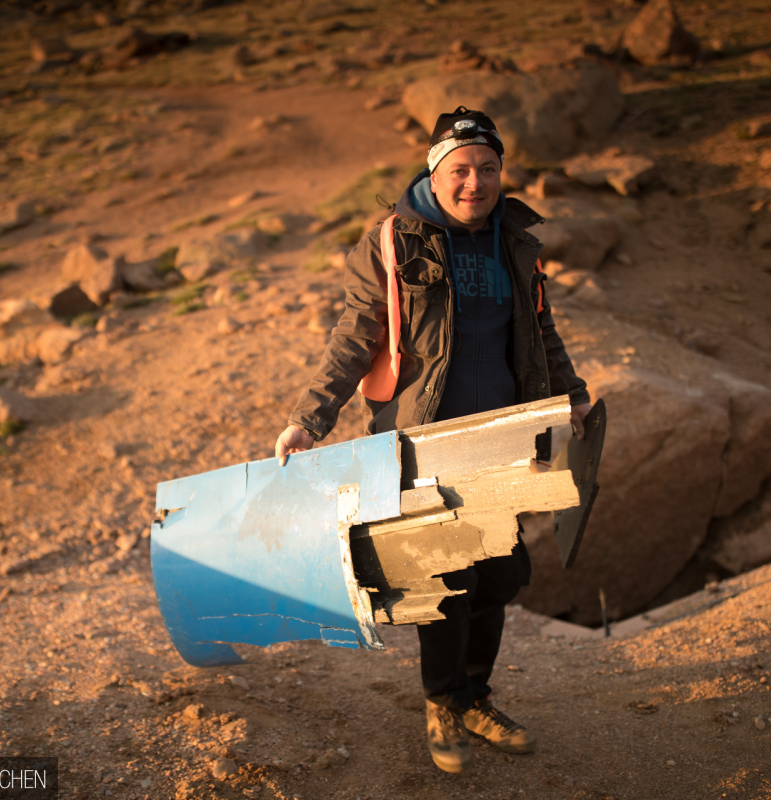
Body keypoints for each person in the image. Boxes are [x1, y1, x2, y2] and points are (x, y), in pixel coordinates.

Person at [273, 107, 592, 774]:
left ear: (501, 172)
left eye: (486, 169)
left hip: (502, 436)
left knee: (502, 572)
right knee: (447, 576)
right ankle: (444, 701)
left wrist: (573, 396)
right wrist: (311, 418)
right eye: (459, 171)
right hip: (421, 440)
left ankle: (477, 697)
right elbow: (355, 334)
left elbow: (539, 332)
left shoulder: (515, 239)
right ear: (434, 173)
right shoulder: (396, 241)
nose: (474, 182)